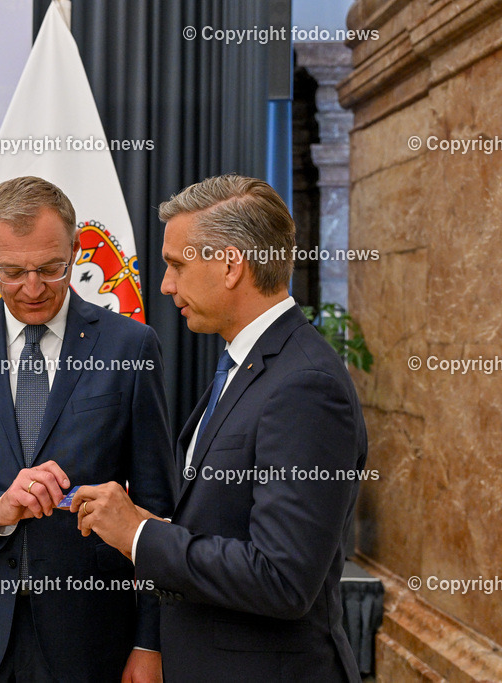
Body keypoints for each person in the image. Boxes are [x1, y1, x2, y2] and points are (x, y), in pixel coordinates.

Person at [71, 174, 366, 682]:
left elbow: (282, 579)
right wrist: (150, 526)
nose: (165, 284)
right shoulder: (248, 364)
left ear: (230, 265)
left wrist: (141, 535)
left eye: (177, 265)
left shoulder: (306, 385)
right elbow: (227, 526)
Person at [0, 176, 176, 683]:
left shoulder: (130, 346)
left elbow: (157, 506)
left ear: (76, 250)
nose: (33, 288)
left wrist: (148, 641)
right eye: (13, 272)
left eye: (49, 269)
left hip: (92, 638)